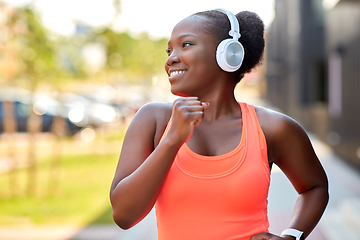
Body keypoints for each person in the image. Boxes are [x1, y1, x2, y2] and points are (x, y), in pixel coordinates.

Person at [110, 8, 329, 240]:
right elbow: (124, 216)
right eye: (169, 49)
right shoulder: (153, 120)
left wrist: (291, 236)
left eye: (186, 45)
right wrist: (172, 139)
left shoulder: (273, 128)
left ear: (229, 54)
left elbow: (315, 188)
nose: (170, 58)